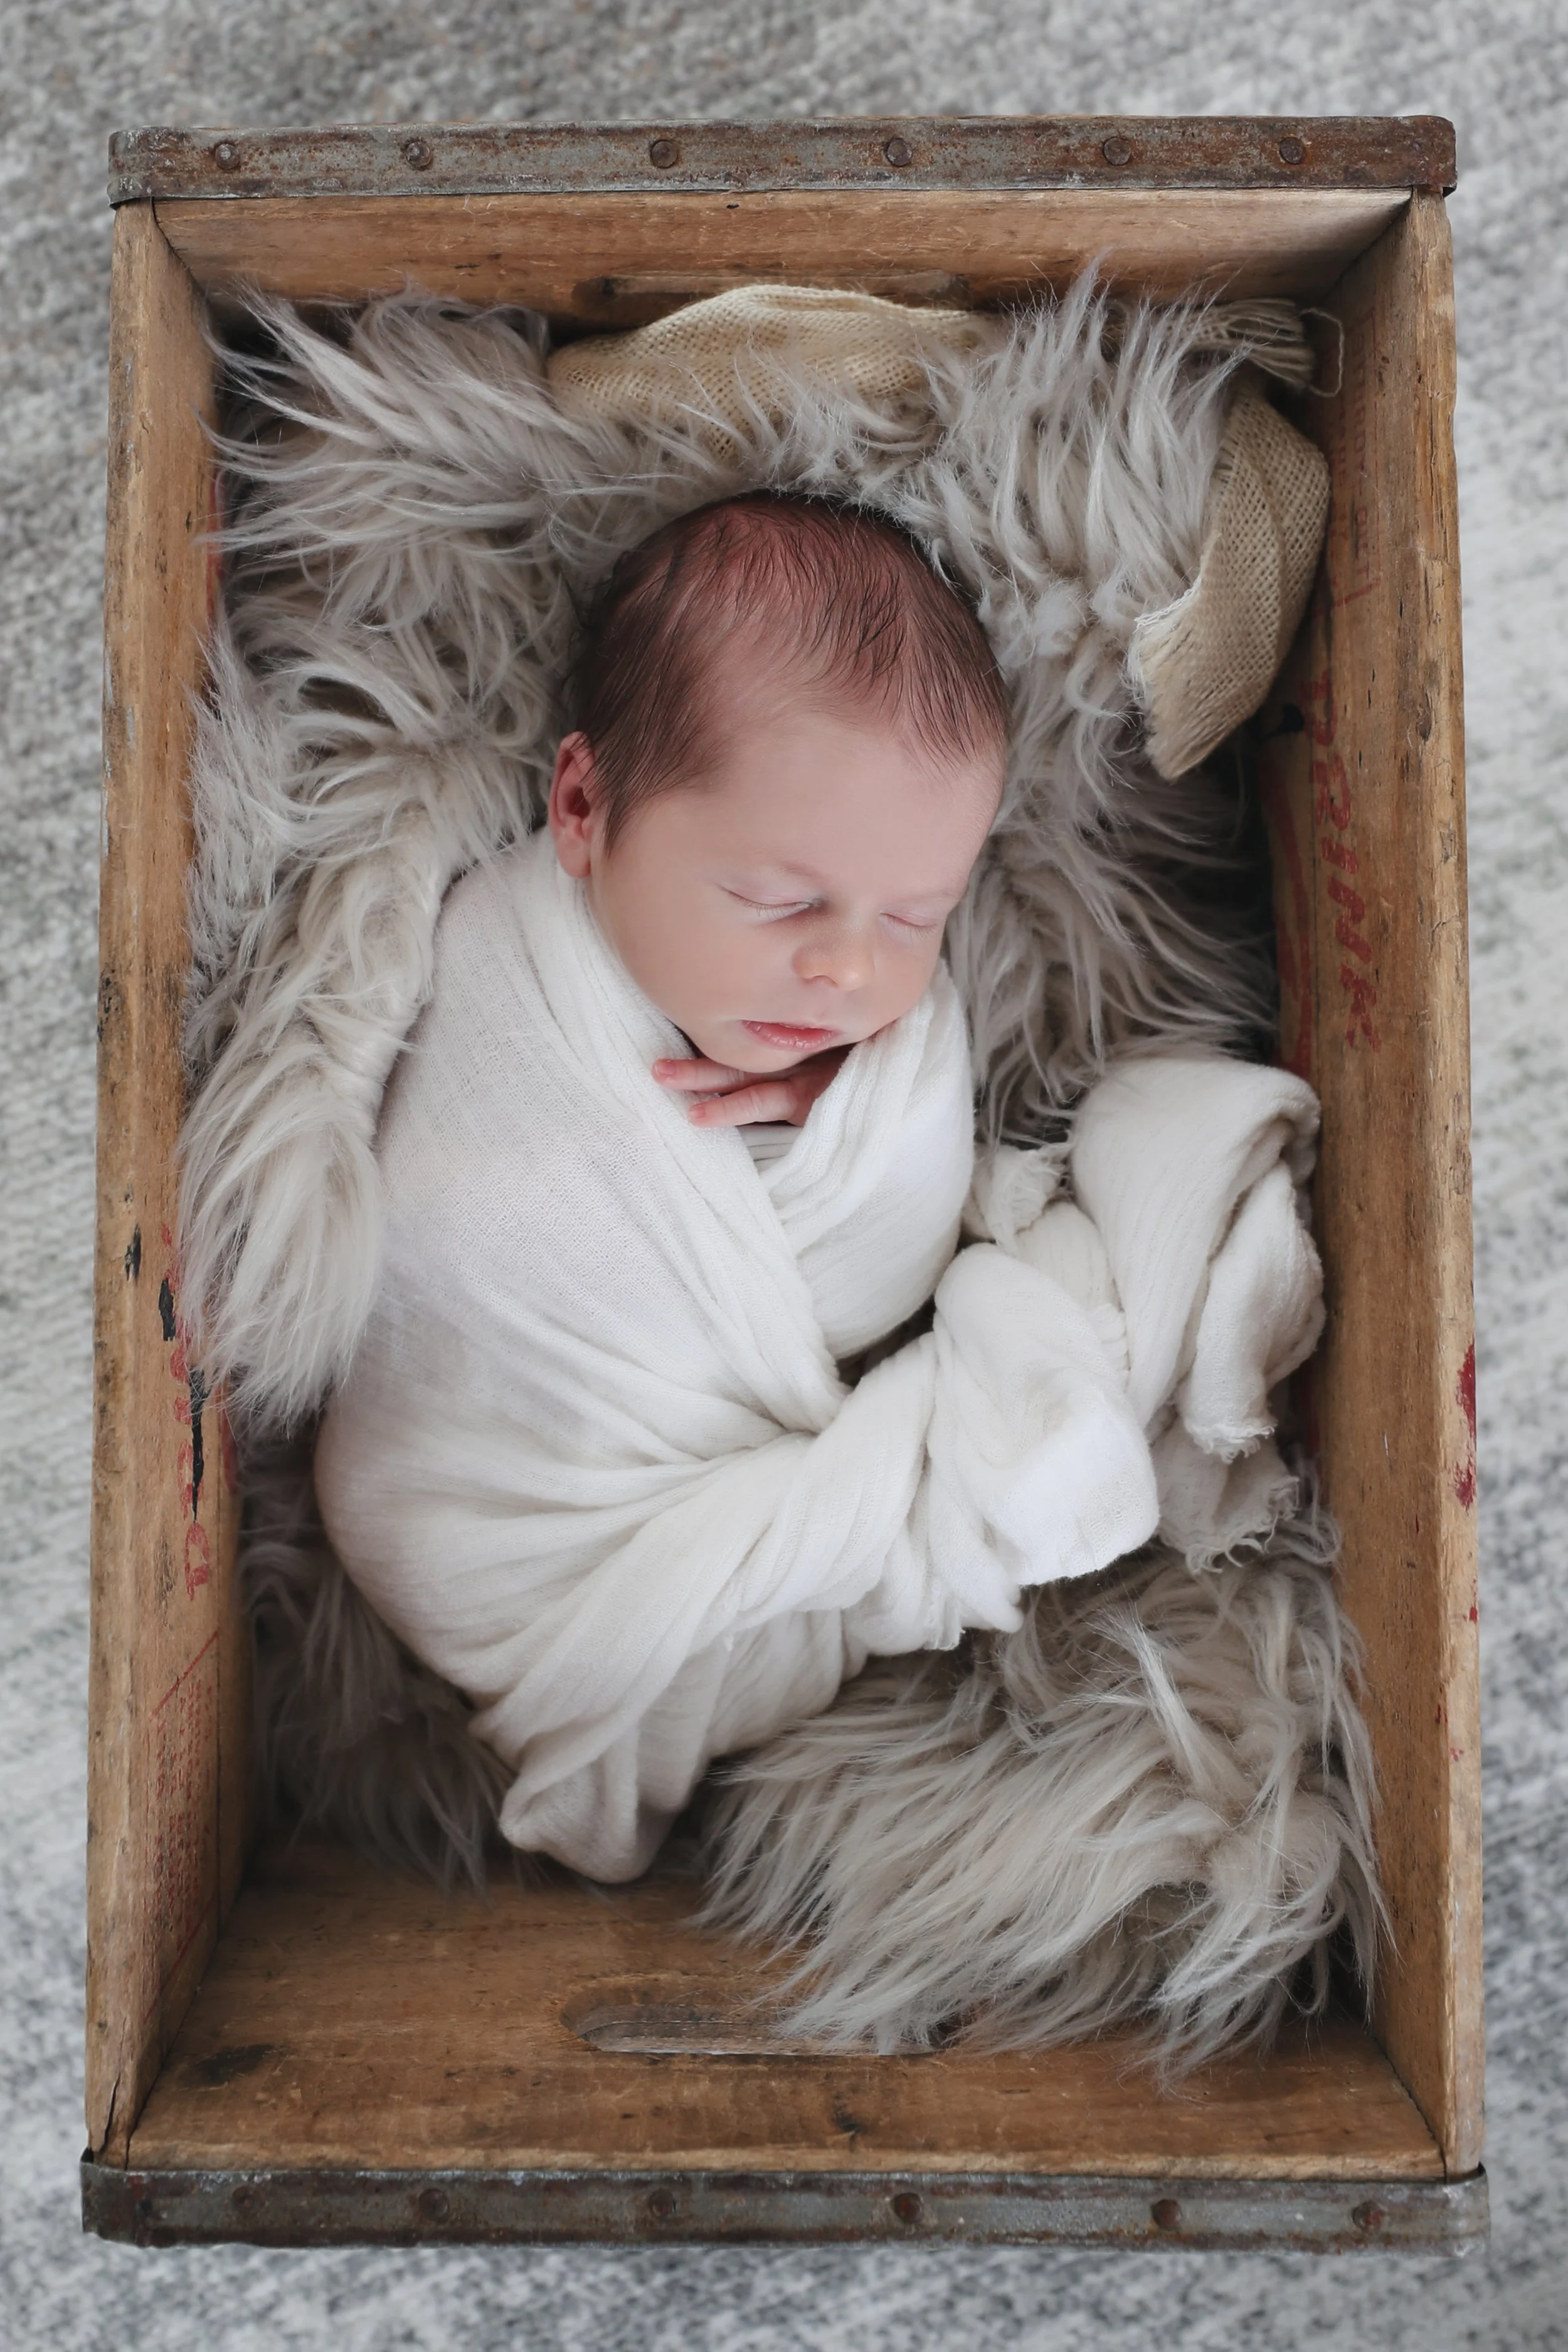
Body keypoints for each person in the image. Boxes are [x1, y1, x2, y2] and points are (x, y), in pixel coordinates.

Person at [313, 494, 1318, 1882]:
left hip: (691, 1525)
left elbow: (883, 1254)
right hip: (496, 1497)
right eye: (782, 904)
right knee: (1045, 1356)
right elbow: (448, 1224)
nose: (852, 972)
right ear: (582, 808)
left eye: (916, 916)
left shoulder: (875, 1042)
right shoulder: (497, 966)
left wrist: (846, 1110)